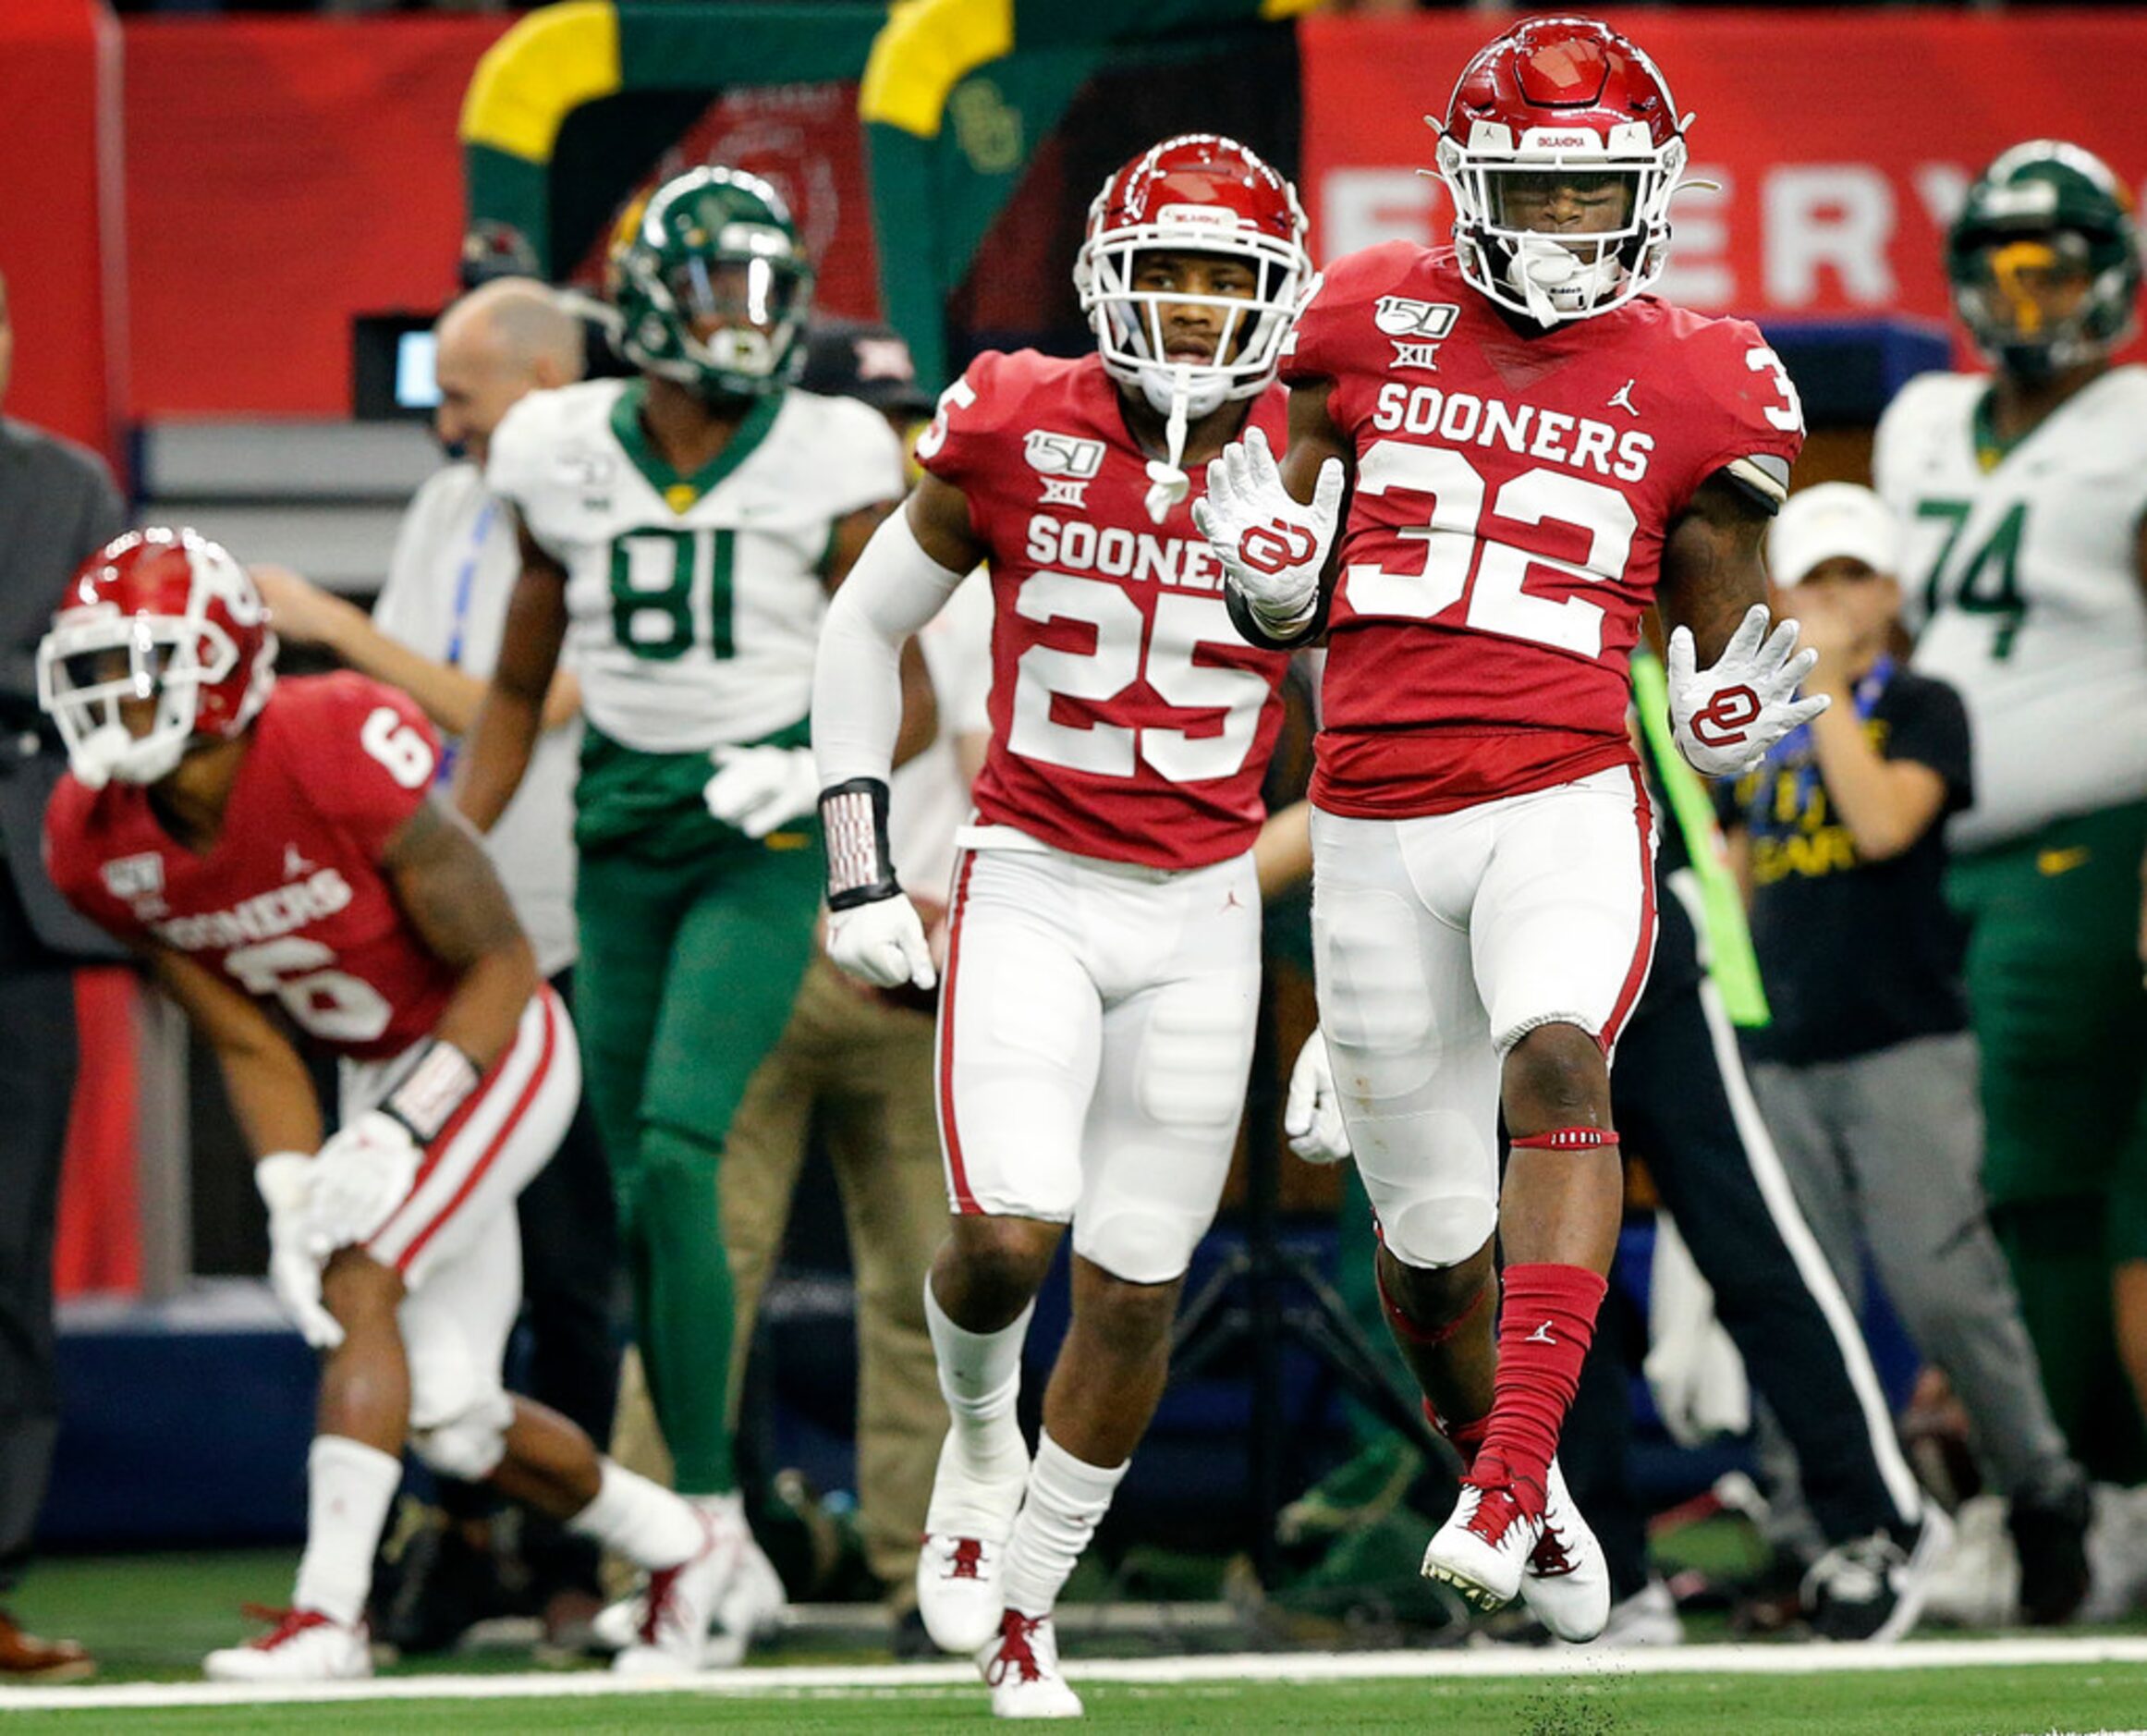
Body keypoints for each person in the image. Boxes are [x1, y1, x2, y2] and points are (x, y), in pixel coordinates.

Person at [1194, 16, 1843, 1620]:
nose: (1562, 228)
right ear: (1464, 183)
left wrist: (1713, 729)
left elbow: (1714, 640)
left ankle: (1500, 1481)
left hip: (1561, 791)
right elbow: (1282, 553)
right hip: (1367, 816)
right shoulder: (1360, 313)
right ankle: (1524, 1480)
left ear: (1651, 189)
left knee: (1558, 1054)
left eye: (1592, 194)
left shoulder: (1706, 371)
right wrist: (1266, 592)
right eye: (1533, 196)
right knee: (1426, 1247)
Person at [810, 134, 1334, 1717]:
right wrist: (852, 865)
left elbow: (1374, 726)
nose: (1186, 307)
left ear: (1275, 299)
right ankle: (978, 1443)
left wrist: (1375, 1004)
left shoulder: (1317, 451)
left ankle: (1031, 1602)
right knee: (1002, 1233)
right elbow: (864, 621)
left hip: (1201, 901)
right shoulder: (1015, 415)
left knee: (1128, 1280)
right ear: (1105, 279)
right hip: (1030, 871)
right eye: (1161, 270)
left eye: (1221, 277)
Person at [37, 529, 753, 1681]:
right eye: (94, 667)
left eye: (139, 664)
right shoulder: (92, 836)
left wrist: (400, 1128)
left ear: (218, 668)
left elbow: (504, 963)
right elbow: (239, 1028)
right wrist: (285, 1182)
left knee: (360, 1272)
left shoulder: (325, 741)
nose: (107, 697)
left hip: (491, 1043)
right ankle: (681, 1543)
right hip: (376, 1068)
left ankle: (331, 1618)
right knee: (452, 1412)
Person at [454, 165, 914, 1645]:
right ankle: (713, 1528)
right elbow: (520, 684)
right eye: (724, 287)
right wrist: (443, 852)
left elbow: (897, 680)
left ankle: (703, 1521)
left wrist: (808, 776)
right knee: (639, 1192)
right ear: (652, 299)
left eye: (770, 288)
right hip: (619, 831)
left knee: (673, 1151)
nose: (751, 318)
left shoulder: (836, 444)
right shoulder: (553, 443)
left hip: (756, 839)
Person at [253, 277, 621, 1651]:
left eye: (463, 394)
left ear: (539, 382)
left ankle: (579, 1551)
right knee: (437, 1254)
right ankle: (459, 1538)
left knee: (581, 1262)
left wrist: (334, 626)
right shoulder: (440, 506)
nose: (441, 419)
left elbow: (529, 698)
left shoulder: (604, 495)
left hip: (567, 923)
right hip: (441, 942)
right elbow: (409, 711)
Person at [1724, 482, 2091, 1624]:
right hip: (1780, 1048)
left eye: (1852, 580)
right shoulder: (1752, 716)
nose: (1830, 602)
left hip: (1903, 1044)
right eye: (1812, 581)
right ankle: (1812, 1533)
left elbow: (1881, 822)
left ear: (1889, 594)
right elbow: (1738, 865)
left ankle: (2042, 1494)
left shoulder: (1926, 704)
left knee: (1946, 1293)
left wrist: (1823, 687)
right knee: (1798, 1300)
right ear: (1781, 591)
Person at [1872, 140, 2147, 1487]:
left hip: (2085, 843)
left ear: (2107, 274)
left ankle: (2077, 1485)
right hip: (1932, 853)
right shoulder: (1922, 414)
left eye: (2051, 270)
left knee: (2037, 1159)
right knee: (1972, 1173)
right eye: (2000, 270)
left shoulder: (2133, 424)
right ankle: (2050, 1478)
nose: (2024, 299)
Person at [715, 317, 984, 1639]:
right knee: (706, 1262)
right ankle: (671, 1557)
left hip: (919, 957)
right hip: (759, 937)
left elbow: (998, 758)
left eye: (906, 417)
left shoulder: (976, 554)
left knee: (937, 1278)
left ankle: (921, 1567)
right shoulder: (752, 560)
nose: (893, 444)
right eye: (863, 418)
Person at [0, 265, 125, 1682]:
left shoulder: (70, 486)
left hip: (17, 910)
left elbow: (86, 678)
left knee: (6, 1257)